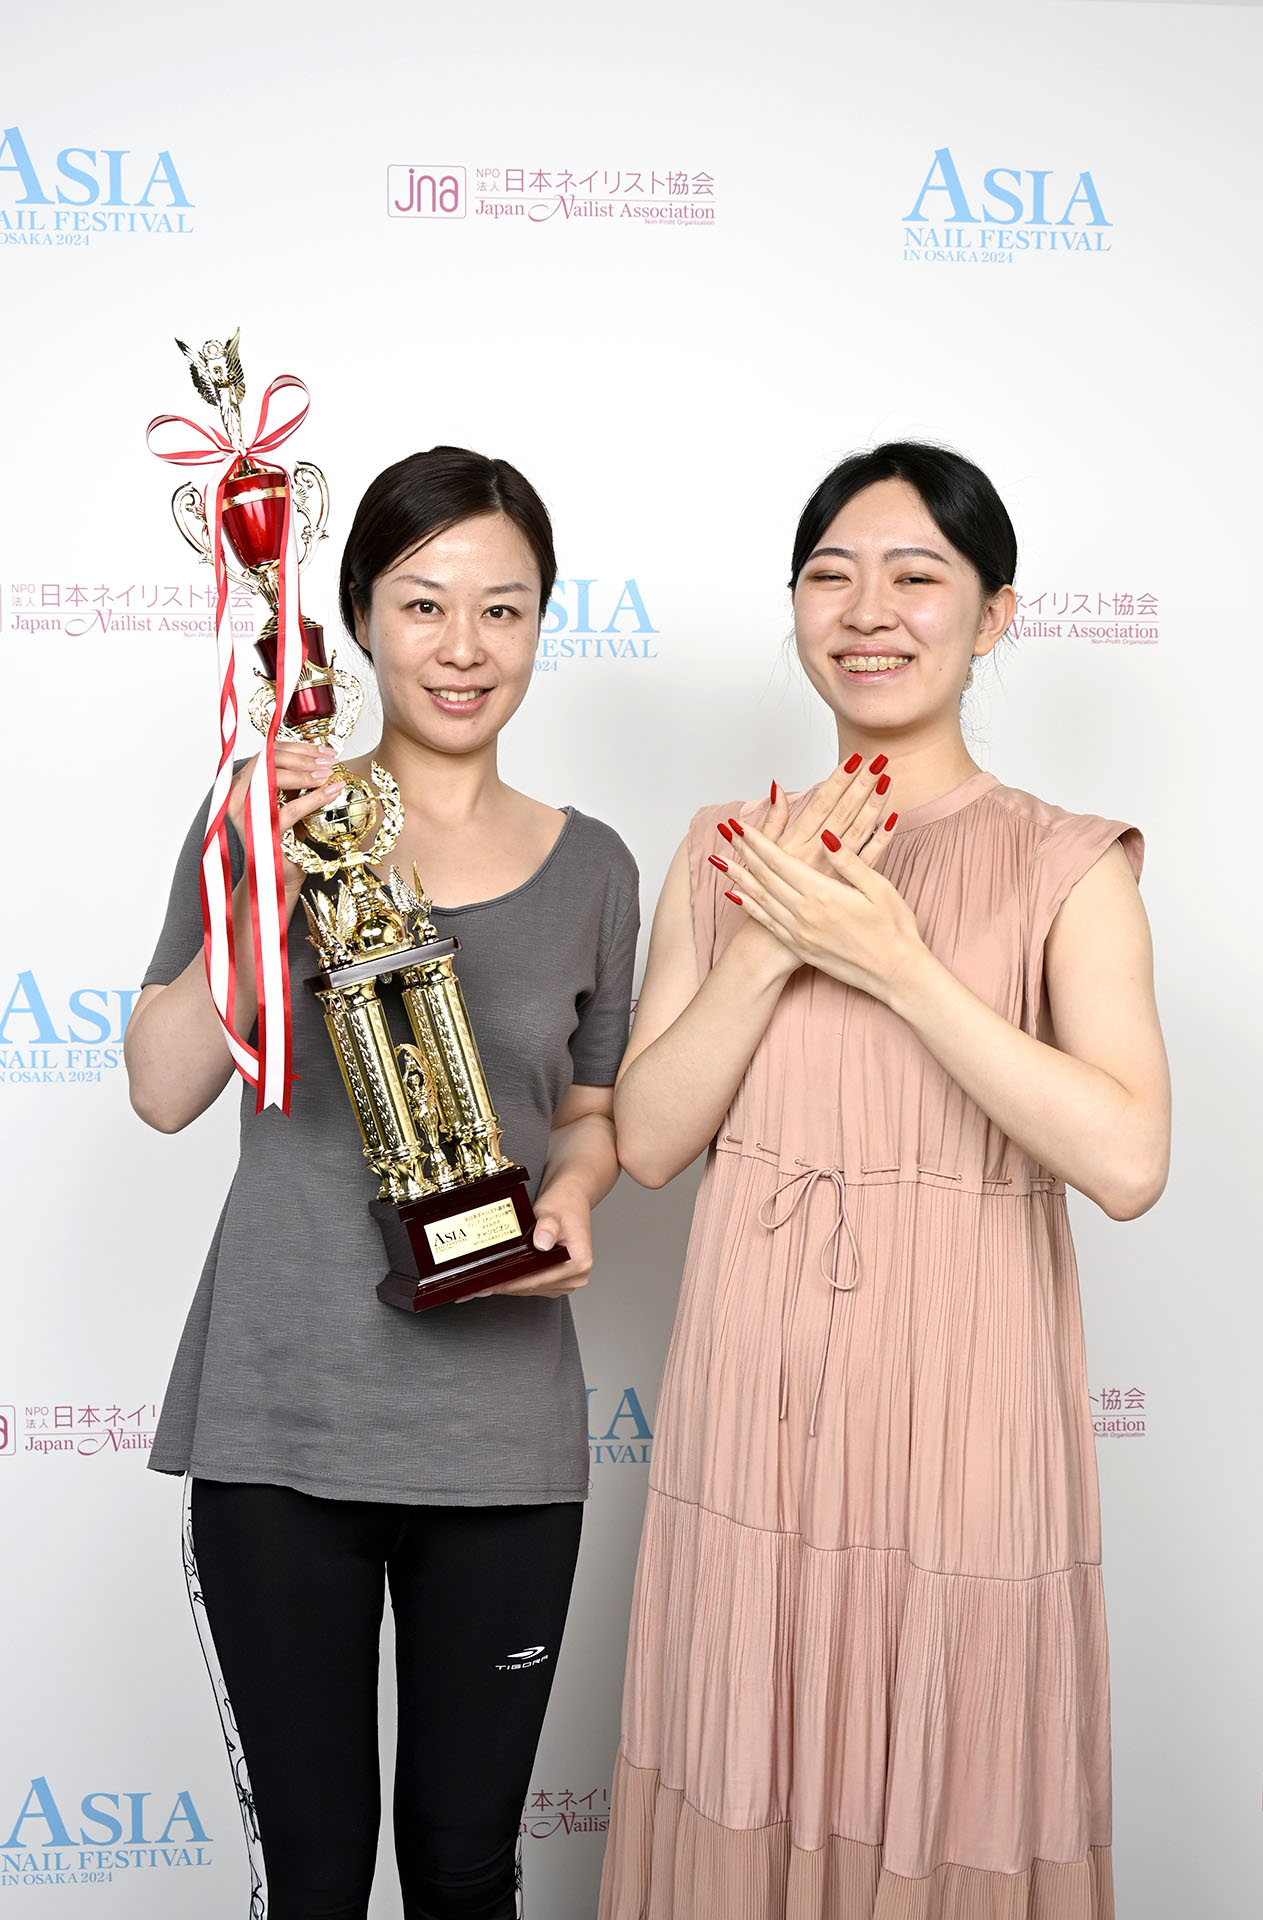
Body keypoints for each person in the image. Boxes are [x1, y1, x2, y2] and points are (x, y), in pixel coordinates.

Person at [598, 442, 1169, 1920]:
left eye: (917, 576)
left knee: (951, 1747)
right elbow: (647, 1140)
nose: (868, 612)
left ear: (993, 617)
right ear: (795, 607)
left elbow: (1126, 1160)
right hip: (755, 1391)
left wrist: (897, 964)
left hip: (965, 1397)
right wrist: (775, 940)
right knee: (746, 1737)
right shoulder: (722, 851)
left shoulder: (1067, 863)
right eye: (830, 576)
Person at [125, 446, 640, 1920]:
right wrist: (276, 871)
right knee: (315, 1874)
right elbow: (162, 1087)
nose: (463, 647)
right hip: (281, 1423)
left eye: (503, 609)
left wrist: (575, 1196)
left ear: (541, 624)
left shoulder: (596, 867)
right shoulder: (264, 814)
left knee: (468, 1865)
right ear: (354, 618)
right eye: (423, 605)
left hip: (502, 1443)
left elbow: (593, 1110)